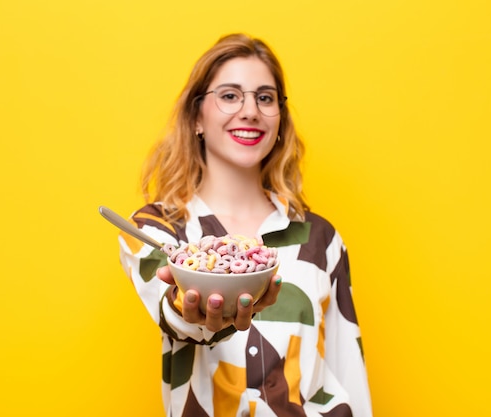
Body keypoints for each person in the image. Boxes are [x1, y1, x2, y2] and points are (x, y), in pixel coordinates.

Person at [118, 33, 373, 417]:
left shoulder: (320, 239)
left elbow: (348, 367)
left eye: (265, 97)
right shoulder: (159, 229)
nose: (251, 111)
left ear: (280, 121)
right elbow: (174, 316)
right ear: (196, 117)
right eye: (230, 95)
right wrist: (200, 309)